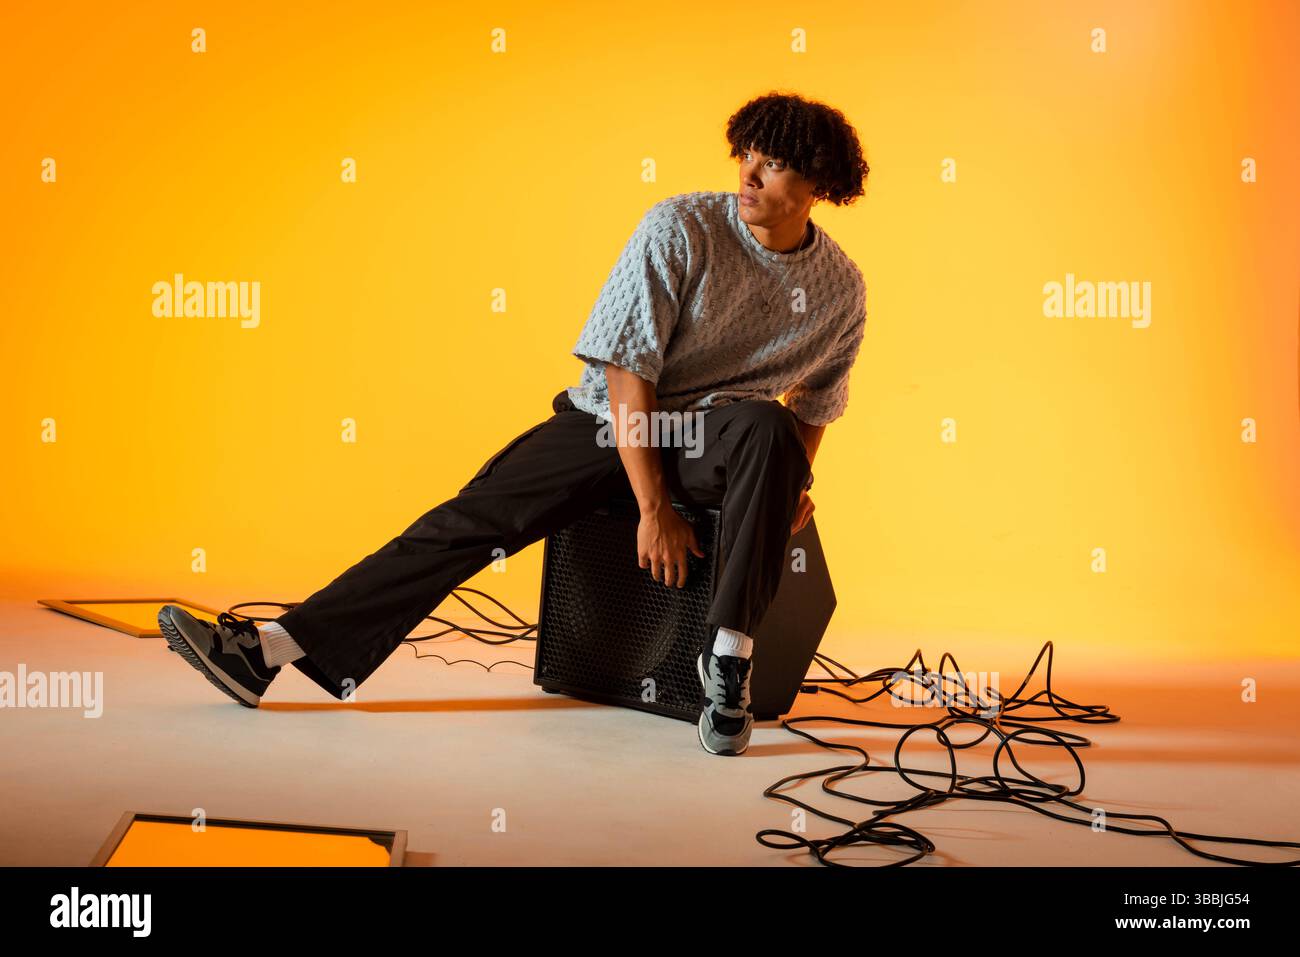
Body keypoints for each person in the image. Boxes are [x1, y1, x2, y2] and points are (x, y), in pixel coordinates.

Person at [157, 91, 870, 756]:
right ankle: (267, 652)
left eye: (772, 164)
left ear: (817, 186)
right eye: (745, 153)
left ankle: (728, 671)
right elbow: (627, 369)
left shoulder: (840, 288)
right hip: (613, 419)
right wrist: (652, 506)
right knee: (470, 519)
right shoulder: (680, 227)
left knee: (768, 431)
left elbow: (814, 405)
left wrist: (785, 490)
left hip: (716, 437)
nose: (748, 174)